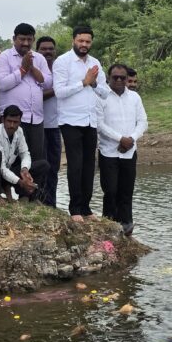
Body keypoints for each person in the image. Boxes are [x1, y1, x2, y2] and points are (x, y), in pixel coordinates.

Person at [53, 25, 109, 222]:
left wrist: (93, 83)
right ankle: (75, 208)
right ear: (73, 40)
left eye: (87, 42)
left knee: (88, 165)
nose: (84, 45)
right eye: (81, 41)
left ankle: (86, 207)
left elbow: (105, 92)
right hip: (70, 120)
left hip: (90, 120)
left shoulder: (95, 63)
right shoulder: (63, 62)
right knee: (75, 164)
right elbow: (59, 92)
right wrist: (83, 82)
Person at [97, 64, 148, 236]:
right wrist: (120, 139)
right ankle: (108, 224)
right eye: (115, 77)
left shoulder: (134, 97)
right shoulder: (101, 97)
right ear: (108, 78)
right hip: (108, 151)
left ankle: (126, 226)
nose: (119, 80)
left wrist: (131, 139)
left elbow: (143, 122)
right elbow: (99, 124)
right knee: (110, 190)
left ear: (127, 79)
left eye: (122, 77)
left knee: (126, 191)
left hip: (129, 151)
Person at [0, 23, 51, 162]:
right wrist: (22, 70)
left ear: (33, 39)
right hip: (14, 120)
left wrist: (32, 68)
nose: (26, 43)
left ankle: (35, 184)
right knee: (14, 161)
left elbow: (49, 82)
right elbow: (2, 84)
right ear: (14, 39)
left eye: (29, 39)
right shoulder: (5, 57)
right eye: (22, 39)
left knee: (37, 160)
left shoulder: (39, 58)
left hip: (36, 118)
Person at [0, 104, 49, 201]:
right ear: (3, 120)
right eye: (9, 121)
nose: (12, 125)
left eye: (15, 122)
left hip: (4, 173)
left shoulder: (19, 131)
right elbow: (1, 168)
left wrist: (25, 170)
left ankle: (27, 196)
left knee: (43, 165)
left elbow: (25, 153)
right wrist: (20, 182)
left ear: (19, 122)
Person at [36, 35, 61, 208]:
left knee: (55, 167)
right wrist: (56, 90)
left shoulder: (60, 70)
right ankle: (40, 202)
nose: (47, 52)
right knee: (41, 167)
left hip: (56, 127)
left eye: (50, 49)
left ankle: (51, 203)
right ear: (37, 51)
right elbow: (33, 96)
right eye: (44, 49)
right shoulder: (33, 69)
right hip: (38, 126)